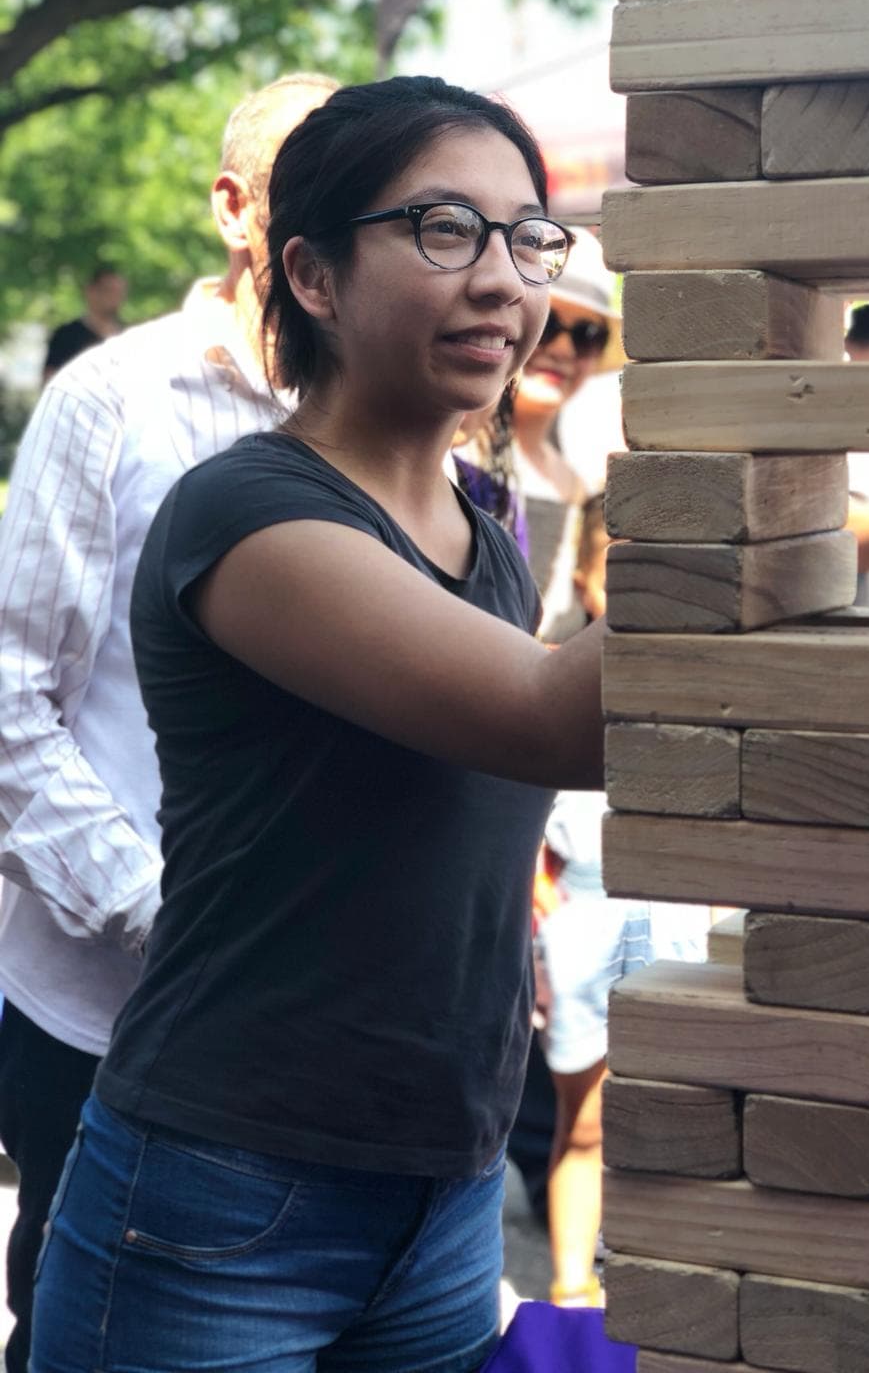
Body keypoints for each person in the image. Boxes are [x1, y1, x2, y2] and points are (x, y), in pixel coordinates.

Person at [30, 75, 606, 1373]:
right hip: (226, 1198)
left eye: (526, 238)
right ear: (315, 273)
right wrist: (795, 460)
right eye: (443, 230)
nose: (504, 282)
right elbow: (549, 718)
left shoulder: (484, 527)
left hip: (443, 1194)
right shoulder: (251, 517)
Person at [0, 72, 336, 1373]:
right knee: (87, 1329)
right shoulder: (115, 400)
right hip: (106, 1007)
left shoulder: (384, 419)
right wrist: (166, 915)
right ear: (235, 210)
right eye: (324, 180)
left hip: (306, 1012)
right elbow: (11, 703)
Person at [535, 496, 708, 1309]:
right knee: (587, 1118)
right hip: (586, 911)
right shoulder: (553, 674)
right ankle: (572, 1282)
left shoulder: (702, 684)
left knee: (678, 1118)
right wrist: (539, 910)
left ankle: (658, 1275)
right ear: (585, 578)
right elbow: (520, 818)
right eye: (619, 566)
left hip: (681, 912)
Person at [511, 228, 622, 641]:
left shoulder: (579, 489)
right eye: (548, 323)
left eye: (587, 335)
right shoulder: (445, 456)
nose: (562, 350)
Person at [42, 265, 127, 381]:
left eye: (120, 292)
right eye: (109, 291)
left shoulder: (128, 337)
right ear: (90, 291)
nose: (115, 298)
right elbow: (50, 378)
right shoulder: (66, 335)